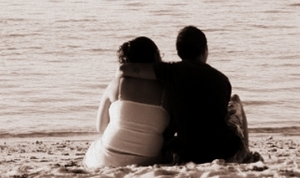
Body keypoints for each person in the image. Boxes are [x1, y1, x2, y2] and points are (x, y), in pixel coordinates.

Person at [121, 26, 257, 164]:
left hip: (188, 153)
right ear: (205, 49)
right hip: (222, 150)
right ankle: (245, 151)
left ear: (179, 53)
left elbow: (126, 69)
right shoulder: (222, 79)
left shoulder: (170, 72)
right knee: (235, 100)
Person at [84, 37, 172, 168]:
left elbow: (101, 127)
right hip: (148, 159)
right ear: (155, 56)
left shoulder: (116, 85)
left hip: (108, 158)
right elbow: (169, 132)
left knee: (92, 151)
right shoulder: (167, 89)